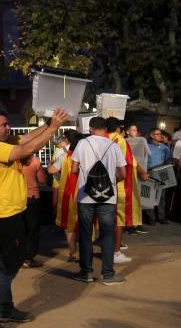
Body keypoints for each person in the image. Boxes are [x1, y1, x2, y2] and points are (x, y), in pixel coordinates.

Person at [0, 108, 68, 328]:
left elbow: (27, 138)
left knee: (3, 265)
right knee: (7, 269)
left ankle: (5, 308)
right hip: (5, 219)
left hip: (3, 216)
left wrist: (48, 123)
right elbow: (29, 148)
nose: (8, 128)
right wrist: (53, 128)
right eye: (4, 125)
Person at [71, 116, 127, 285]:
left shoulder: (82, 144)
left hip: (86, 196)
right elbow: (123, 174)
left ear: (90, 128)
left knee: (86, 234)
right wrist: (111, 181)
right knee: (107, 235)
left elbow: (74, 169)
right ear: (105, 129)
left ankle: (86, 272)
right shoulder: (114, 145)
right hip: (107, 197)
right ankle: (108, 275)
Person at [108, 117, 146, 261]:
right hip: (119, 185)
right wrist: (143, 172)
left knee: (106, 218)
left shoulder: (100, 139)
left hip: (100, 186)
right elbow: (130, 161)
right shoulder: (120, 140)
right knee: (119, 220)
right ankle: (116, 252)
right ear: (119, 128)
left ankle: (108, 248)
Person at [49, 129, 81, 262]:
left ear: (67, 141)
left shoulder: (64, 157)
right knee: (84, 223)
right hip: (84, 194)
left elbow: (51, 170)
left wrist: (51, 162)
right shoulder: (84, 155)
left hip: (68, 194)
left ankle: (73, 252)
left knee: (69, 225)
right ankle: (85, 250)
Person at [21, 153, 46, 268]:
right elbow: (42, 179)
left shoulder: (12, 160)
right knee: (32, 229)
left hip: (15, 198)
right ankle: (28, 259)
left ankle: (16, 257)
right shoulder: (35, 161)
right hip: (32, 196)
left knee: (18, 228)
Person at [146, 128, 172, 224]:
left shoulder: (165, 148)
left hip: (161, 173)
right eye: (157, 134)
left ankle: (161, 217)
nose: (160, 136)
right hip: (150, 173)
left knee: (161, 196)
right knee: (150, 196)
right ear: (152, 136)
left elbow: (168, 160)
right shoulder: (147, 146)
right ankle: (151, 218)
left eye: (160, 134)